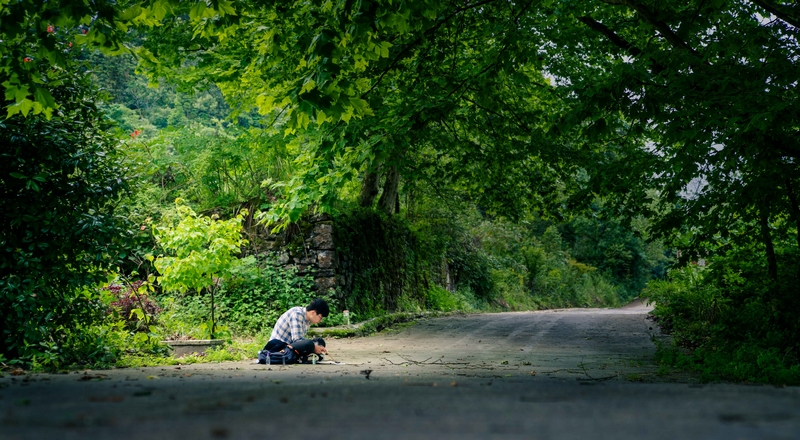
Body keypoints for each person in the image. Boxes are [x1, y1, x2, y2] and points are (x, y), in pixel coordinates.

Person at [263, 298, 330, 355]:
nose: (320, 320)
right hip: (278, 348)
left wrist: (316, 346)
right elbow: (297, 340)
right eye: (320, 317)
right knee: (309, 344)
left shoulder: (307, 319)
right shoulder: (297, 314)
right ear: (313, 313)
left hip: (289, 346)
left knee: (319, 342)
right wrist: (314, 347)